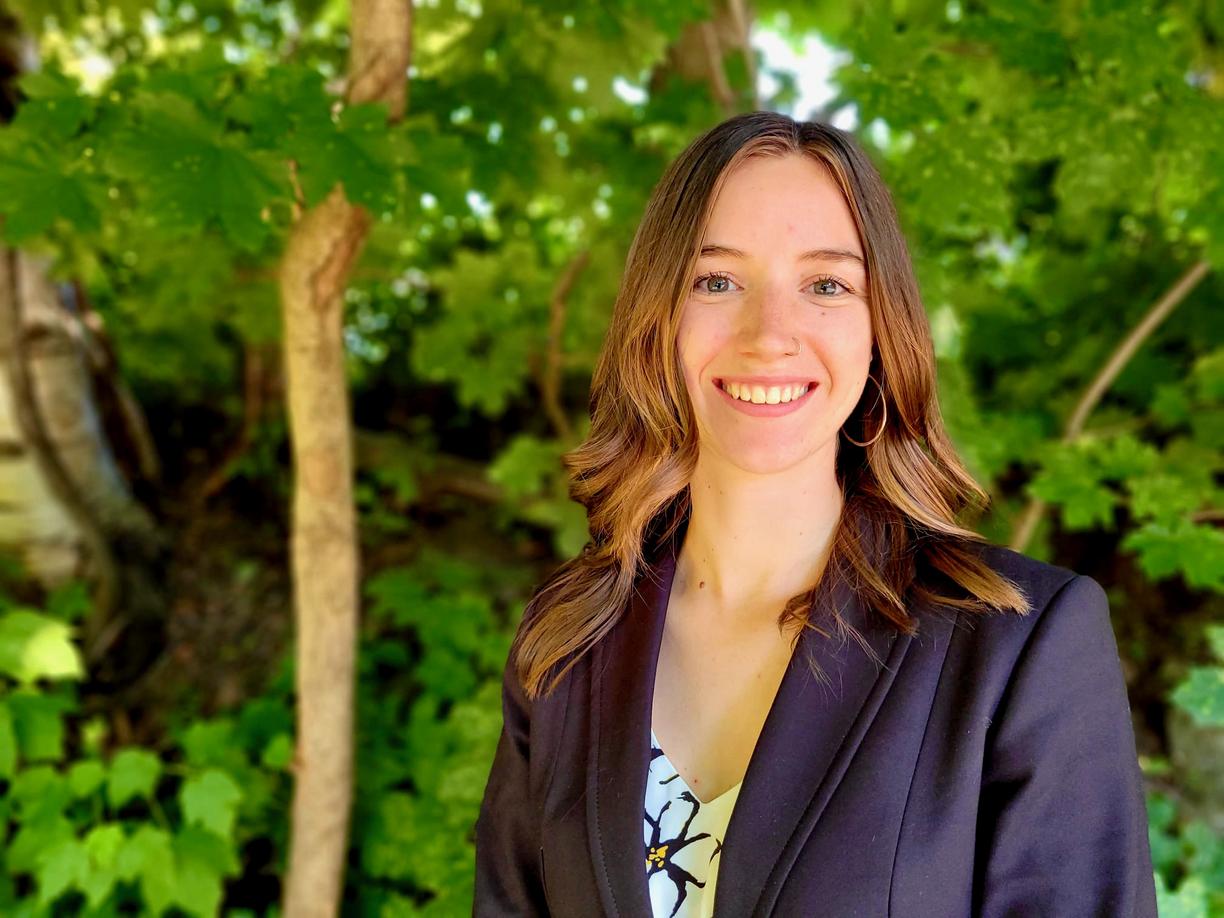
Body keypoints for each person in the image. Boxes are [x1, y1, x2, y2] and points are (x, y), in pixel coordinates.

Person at [473, 110, 1158, 917]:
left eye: (826, 285)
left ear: (881, 329)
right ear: (657, 319)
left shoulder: (1017, 646)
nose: (770, 335)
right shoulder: (567, 642)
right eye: (716, 281)